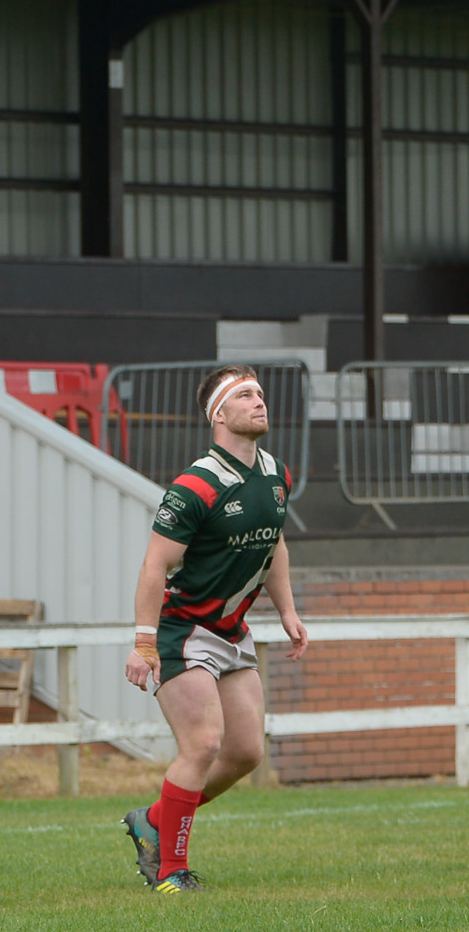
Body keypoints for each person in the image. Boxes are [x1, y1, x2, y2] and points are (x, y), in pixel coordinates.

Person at [120, 366, 308, 894]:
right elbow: (154, 566)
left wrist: (288, 611)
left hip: (231, 631)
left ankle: (153, 821)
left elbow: (275, 544)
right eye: (245, 395)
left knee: (246, 752)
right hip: (183, 630)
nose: (259, 401)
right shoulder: (194, 485)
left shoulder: (275, 473)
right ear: (219, 414)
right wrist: (143, 642)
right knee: (203, 744)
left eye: (260, 393)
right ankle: (170, 871)